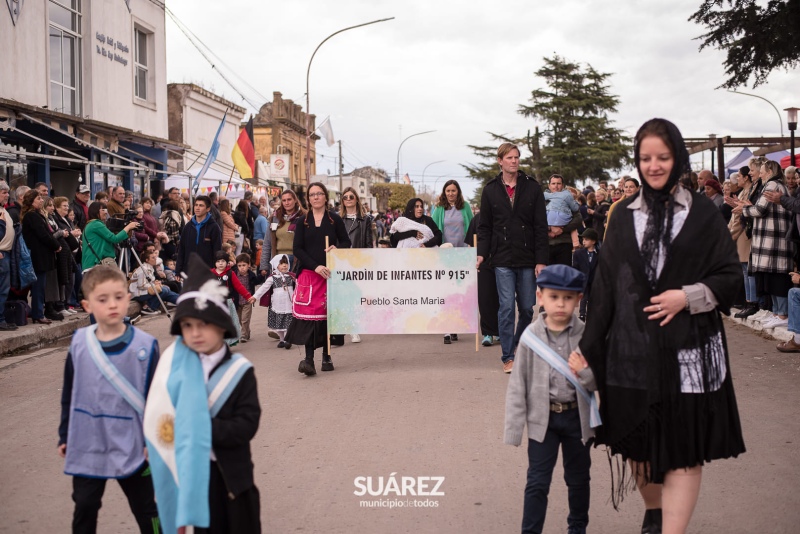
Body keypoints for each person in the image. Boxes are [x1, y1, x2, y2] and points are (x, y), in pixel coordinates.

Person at [580, 118, 745, 534]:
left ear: (678, 158)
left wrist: (686, 297)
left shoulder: (702, 212)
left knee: (684, 447)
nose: (654, 166)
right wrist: (589, 344)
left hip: (690, 347)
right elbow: (605, 285)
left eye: (663, 157)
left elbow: (730, 277)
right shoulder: (622, 215)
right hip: (632, 349)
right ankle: (654, 513)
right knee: (637, 440)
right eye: (645, 158)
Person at [144, 255, 262, 533]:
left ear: (221, 325)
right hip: (189, 477)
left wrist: (199, 428)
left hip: (231, 479)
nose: (195, 333)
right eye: (187, 326)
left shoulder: (239, 371)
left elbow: (247, 424)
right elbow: (159, 414)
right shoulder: (173, 368)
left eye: (203, 324)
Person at [57, 265, 161, 532]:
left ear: (128, 299)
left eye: (118, 296)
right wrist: (65, 434)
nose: (112, 304)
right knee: (85, 506)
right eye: (102, 300)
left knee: (146, 508)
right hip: (88, 440)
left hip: (133, 443)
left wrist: (154, 439)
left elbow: (156, 398)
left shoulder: (146, 346)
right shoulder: (79, 343)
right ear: (86, 305)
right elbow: (70, 392)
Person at [504, 264, 597, 534]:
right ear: (540, 296)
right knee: (537, 482)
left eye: (568, 298)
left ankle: (577, 528)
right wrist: (513, 429)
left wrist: (585, 372)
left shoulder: (586, 335)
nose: (560, 304)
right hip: (542, 421)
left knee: (578, 480)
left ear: (579, 299)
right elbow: (517, 385)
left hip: (576, 420)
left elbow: (599, 380)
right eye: (554, 297)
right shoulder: (531, 337)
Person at [477, 142, 548, 373]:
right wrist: (481, 255)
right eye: (509, 157)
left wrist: (541, 260)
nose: (514, 161)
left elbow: (540, 226)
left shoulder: (532, 188)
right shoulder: (490, 190)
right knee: (506, 308)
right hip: (501, 258)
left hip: (527, 257)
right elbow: (485, 227)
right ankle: (508, 356)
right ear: (500, 161)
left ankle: (519, 344)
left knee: (527, 308)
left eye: (517, 157)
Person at [285, 182, 351, 375]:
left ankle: (326, 356)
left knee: (326, 316)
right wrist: (315, 266)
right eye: (312, 194)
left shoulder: (335, 220)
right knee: (308, 317)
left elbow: (346, 241)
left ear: (325, 197)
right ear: (308, 198)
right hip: (309, 273)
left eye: (319, 194)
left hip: (330, 273)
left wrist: (336, 249)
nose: (315, 197)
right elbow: (297, 248)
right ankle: (308, 359)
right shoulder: (302, 221)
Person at [733, 160, 792, 329]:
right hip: (770, 242)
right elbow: (760, 208)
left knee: (777, 280)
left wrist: (743, 209)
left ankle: (781, 315)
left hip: (773, 242)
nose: (759, 173)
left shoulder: (772, 184)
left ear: (769, 171)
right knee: (771, 279)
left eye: (762, 170)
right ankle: (776, 313)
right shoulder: (774, 184)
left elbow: (760, 210)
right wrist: (745, 206)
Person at [432, 180, 473, 344]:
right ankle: (446, 328)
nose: (450, 193)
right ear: (444, 192)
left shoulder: (466, 207)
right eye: (448, 191)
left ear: (458, 192)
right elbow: (433, 230)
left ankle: (456, 325)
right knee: (446, 291)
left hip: (462, 254)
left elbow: (472, 227)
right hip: (446, 255)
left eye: (453, 191)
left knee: (460, 291)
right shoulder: (439, 209)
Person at [20, 190, 61, 324]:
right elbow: (43, 234)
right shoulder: (31, 216)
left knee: (41, 285)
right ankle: (38, 314)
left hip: (42, 255)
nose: (41, 200)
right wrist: (56, 245)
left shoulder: (36, 215)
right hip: (38, 256)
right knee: (38, 286)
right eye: (38, 198)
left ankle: (38, 312)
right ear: (31, 201)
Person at [727, 167, 759, 319]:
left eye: (739, 176)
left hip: (744, 236)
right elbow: (735, 217)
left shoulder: (749, 192)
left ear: (746, 178)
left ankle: (752, 302)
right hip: (740, 237)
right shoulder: (743, 192)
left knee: (749, 271)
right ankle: (749, 302)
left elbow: (741, 220)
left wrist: (729, 235)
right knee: (745, 271)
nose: (737, 179)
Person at [466, 212, 499, 347]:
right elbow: (470, 244)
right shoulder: (476, 219)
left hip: (502, 261)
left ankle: (500, 331)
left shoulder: (502, 215)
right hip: (483, 263)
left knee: (502, 298)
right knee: (485, 298)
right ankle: (487, 333)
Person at [212, 250, 255, 346]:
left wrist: (248, 296)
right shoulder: (210, 274)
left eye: (223, 261)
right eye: (218, 261)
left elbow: (239, 286)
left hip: (227, 302)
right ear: (215, 263)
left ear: (227, 262)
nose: (220, 264)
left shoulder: (230, 273)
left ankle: (227, 341)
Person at [253, 254, 296, 348]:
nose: (284, 265)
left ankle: (287, 340)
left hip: (289, 304)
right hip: (277, 304)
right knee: (279, 324)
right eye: (281, 263)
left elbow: (300, 284)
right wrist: (255, 297)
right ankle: (282, 340)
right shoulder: (272, 278)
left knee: (288, 323)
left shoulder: (292, 276)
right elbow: (263, 288)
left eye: (286, 263)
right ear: (276, 265)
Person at [81, 201, 139, 272]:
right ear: (95, 211)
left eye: (106, 210)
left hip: (91, 265)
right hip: (96, 266)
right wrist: (129, 227)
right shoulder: (96, 224)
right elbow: (115, 239)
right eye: (103, 210)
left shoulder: (90, 224)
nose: (106, 212)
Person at [260, 189, 305, 277]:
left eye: (289, 199)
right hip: (278, 260)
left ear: (295, 200)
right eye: (284, 200)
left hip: (297, 260)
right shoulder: (275, 218)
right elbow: (267, 243)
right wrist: (264, 266)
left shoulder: (303, 217)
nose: (286, 203)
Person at [176, 196, 222, 275]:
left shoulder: (214, 227)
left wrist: (216, 270)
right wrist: (178, 270)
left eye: (201, 205)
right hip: (189, 270)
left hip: (207, 270)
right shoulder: (188, 227)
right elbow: (181, 250)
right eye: (196, 205)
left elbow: (217, 251)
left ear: (208, 209)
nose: (197, 208)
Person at [52, 197, 82, 314]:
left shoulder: (66, 219)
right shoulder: (56, 219)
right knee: (66, 279)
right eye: (64, 206)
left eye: (67, 205)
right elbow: (60, 233)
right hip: (63, 253)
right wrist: (70, 233)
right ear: (57, 207)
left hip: (72, 253)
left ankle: (66, 303)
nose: (67, 208)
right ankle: (62, 305)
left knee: (73, 278)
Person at [129, 249, 179, 315]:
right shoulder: (143, 269)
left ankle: (183, 301)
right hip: (138, 293)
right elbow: (141, 285)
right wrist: (154, 285)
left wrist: (155, 283)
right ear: (147, 260)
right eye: (153, 258)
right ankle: (149, 308)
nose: (155, 259)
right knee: (163, 290)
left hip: (144, 291)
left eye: (155, 257)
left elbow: (148, 281)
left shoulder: (150, 267)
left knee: (166, 289)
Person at [233, 253, 265, 344]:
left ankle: (243, 335)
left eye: (244, 265)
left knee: (245, 319)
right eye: (239, 265)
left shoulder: (250, 275)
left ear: (249, 265)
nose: (242, 268)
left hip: (248, 300)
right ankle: (247, 332)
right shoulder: (234, 274)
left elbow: (256, 281)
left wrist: (262, 275)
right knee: (240, 319)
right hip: (237, 300)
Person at [572, 228, 600, 322]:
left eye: (586, 239)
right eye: (583, 239)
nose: (584, 241)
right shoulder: (578, 253)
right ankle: (582, 314)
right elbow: (575, 267)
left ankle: (592, 314)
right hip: (583, 279)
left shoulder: (599, 254)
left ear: (593, 241)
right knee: (583, 297)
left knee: (593, 298)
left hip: (594, 280)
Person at [0, 181, 17, 331]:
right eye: (4, 192)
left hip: (6, 253)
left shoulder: (3, 209)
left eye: (7, 192)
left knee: (4, 288)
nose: (7, 195)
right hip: (1, 254)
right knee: (2, 289)